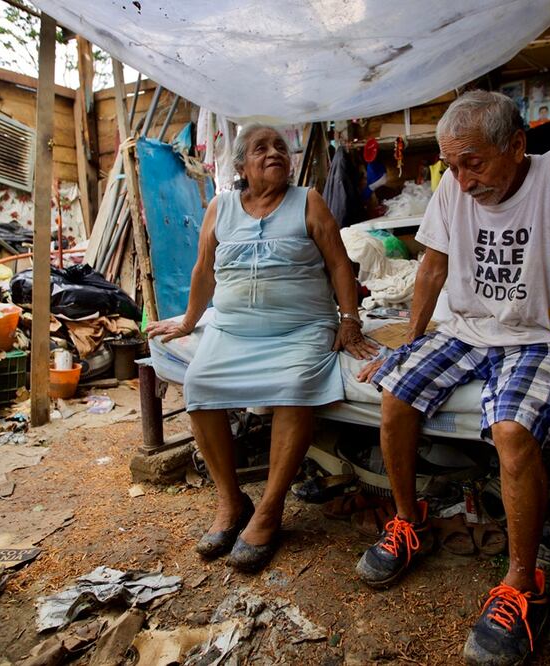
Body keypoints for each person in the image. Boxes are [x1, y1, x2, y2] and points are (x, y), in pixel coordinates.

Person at [354, 91, 550, 665]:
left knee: (511, 430)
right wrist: (410, 342)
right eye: (452, 165)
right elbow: (432, 264)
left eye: (473, 162)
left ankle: (521, 583)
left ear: (516, 145)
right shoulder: (455, 185)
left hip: (543, 334)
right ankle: (409, 522)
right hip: (468, 328)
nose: (461, 178)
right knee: (395, 395)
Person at [147, 125, 376, 573]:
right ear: (240, 166)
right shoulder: (220, 207)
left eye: (279, 147)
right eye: (261, 148)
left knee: (294, 387)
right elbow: (204, 270)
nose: (274, 153)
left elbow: (339, 265)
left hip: (302, 328)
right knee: (199, 382)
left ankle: (270, 510)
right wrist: (190, 320)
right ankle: (232, 503)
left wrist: (349, 322)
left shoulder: (308, 201)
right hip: (233, 329)